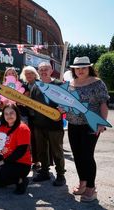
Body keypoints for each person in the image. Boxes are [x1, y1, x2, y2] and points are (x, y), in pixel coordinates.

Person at [65, 56, 109, 202]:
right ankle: (82, 182)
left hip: (91, 125)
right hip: (73, 124)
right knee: (77, 155)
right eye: (78, 68)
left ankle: (91, 188)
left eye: (83, 67)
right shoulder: (70, 83)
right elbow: (68, 103)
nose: (80, 70)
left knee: (87, 156)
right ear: (73, 70)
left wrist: (102, 123)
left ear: (89, 68)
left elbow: (103, 103)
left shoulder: (97, 83)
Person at [30, 62, 66, 186]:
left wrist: (64, 108)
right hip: (39, 125)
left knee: (57, 152)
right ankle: (44, 172)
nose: (43, 71)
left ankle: (61, 175)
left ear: (51, 71)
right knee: (41, 151)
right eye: (41, 70)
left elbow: (68, 102)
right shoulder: (36, 86)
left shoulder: (59, 85)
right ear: (38, 72)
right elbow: (32, 104)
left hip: (55, 126)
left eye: (46, 69)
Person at [19, 66, 41, 170]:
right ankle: (35, 161)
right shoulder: (25, 85)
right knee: (31, 139)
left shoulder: (40, 84)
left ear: (35, 74)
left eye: (30, 73)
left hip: (40, 116)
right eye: (26, 74)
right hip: (29, 116)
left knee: (39, 140)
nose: (28, 75)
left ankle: (41, 162)